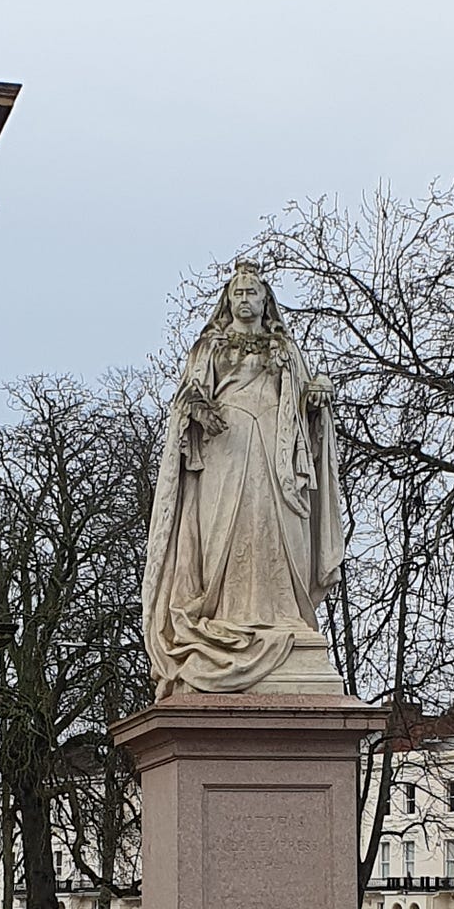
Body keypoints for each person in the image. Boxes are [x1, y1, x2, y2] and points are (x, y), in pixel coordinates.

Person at [142, 262, 344, 697]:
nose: (246, 299)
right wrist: (198, 408)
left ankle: (282, 616)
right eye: (239, 293)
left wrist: (317, 395)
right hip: (225, 448)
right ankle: (225, 617)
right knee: (222, 534)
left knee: (275, 530)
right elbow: (187, 401)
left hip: (276, 448)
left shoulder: (283, 348)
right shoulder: (210, 347)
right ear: (228, 301)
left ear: (265, 300)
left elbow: (303, 403)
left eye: (253, 292)